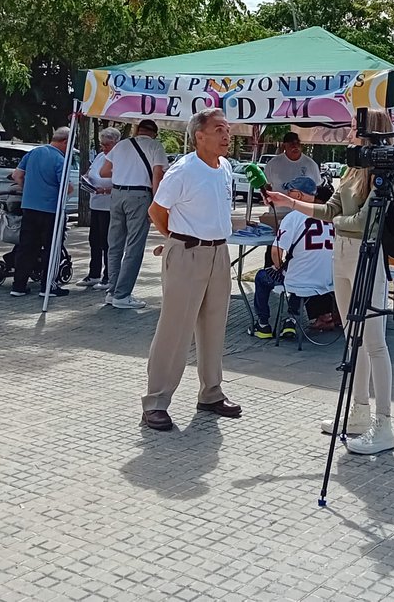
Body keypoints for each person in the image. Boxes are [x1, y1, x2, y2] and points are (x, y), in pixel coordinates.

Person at [266, 108, 394, 456]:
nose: (351, 130)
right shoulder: (352, 169)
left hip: (366, 255)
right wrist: (291, 202)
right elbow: (330, 210)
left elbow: (363, 220)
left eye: (357, 126)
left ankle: (384, 426)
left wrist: (337, 220)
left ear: (372, 130)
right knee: (353, 339)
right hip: (341, 255)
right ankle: (358, 414)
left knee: (375, 343)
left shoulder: (384, 173)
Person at [141, 109, 241, 431]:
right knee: (175, 330)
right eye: (219, 129)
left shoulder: (225, 167)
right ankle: (156, 401)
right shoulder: (183, 169)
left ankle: (211, 392)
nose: (227, 135)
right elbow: (156, 210)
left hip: (218, 252)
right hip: (187, 252)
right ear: (200, 135)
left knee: (214, 327)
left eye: (227, 129)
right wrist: (175, 239)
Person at [252, 177, 335, 339]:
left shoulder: (292, 218)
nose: (287, 194)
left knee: (264, 277)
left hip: (298, 281)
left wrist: (278, 266)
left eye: (290, 192)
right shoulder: (329, 216)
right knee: (296, 269)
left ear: (298, 196)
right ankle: (290, 320)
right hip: (326, 281)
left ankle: (263, 325)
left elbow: (276, 253)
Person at [100, 118, 167, 310]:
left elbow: (104, 171)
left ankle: (112, 291)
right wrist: (156, 205)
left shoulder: (120, 145)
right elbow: (157, 176)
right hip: (139, 196)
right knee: (134, 247)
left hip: (117, 194)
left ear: (137, 130)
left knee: (115, 245)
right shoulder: (155, 146)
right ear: (154, 132)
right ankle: (123, 294)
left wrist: (124, 171)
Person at [10, 127, 71, 299]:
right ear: (65, 142)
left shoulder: (33, 153)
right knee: (51, 248)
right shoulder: (59, 159)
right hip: (51, 210)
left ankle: (19, 286)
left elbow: (17, 175)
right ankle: (48, 286)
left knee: (26, 247)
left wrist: (28, 190)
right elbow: (66, 187)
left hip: (29, 206)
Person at [79, 127, 120, 289]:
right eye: (102, 144)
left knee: (107, 242)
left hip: (109, 205)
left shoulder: (120, 159)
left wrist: (106, 190)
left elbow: (122, 182)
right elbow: (89, 173)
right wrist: (86, 180)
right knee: (94, 240)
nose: (103, 147)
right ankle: (93, 273)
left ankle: (109, 276)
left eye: (107, 144)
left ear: (116, 143)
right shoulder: (100, 156)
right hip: (95, 203)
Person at [264, 132, 321, 218]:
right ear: (284, 146)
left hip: (303, 213)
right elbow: (266, 185)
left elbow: (317, 188)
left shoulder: (311, 164)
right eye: (291, 144)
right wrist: (268, 198)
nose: (295, 146)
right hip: (279, 212)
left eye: (297, 143)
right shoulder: (273, 164)